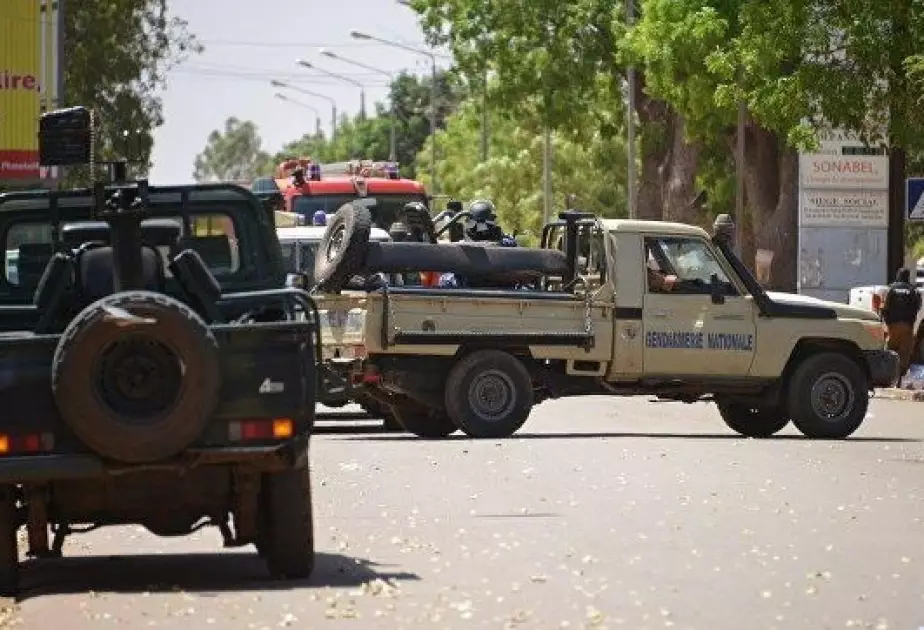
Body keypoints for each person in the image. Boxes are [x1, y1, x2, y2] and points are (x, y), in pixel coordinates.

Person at [882, 267, 921, 383]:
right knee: (904, 353)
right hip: (907, 326)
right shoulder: (912, 290)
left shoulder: (891, 288)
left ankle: (886, 376)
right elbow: (917, 306)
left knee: (890, 350)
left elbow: (885, 307)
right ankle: (899, 379)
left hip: (892, 326)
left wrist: (887, 322)